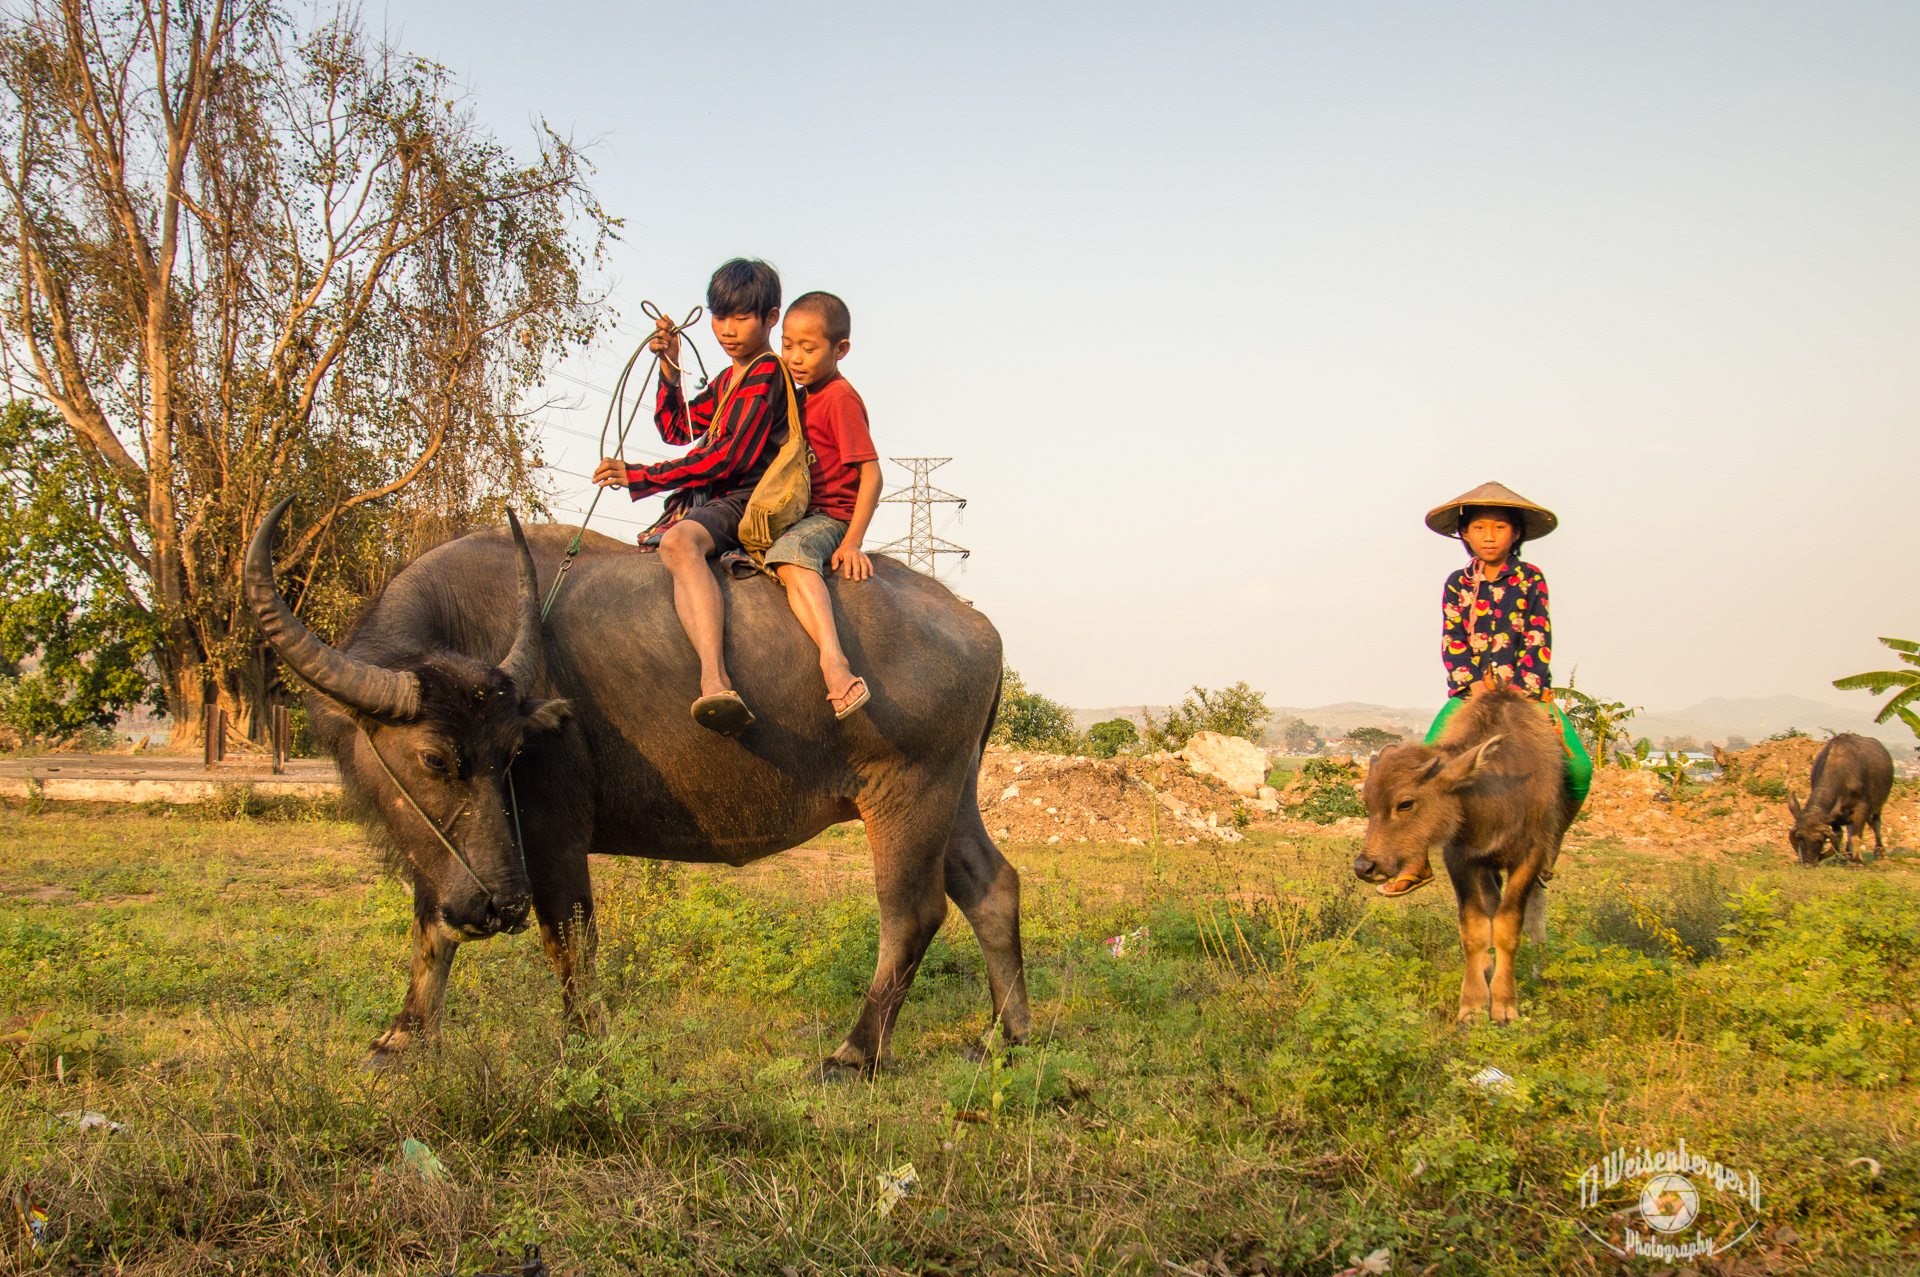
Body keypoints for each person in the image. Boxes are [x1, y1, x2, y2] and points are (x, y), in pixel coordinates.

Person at [592, 258, 794, 737]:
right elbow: (677, 427)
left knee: (679, 543)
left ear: (770, 317)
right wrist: (669, 364)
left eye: (742, 317)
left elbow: (727, 459)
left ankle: (714, 678)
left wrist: (640, 475)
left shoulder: (766, 374)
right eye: (719, 316)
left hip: (749, 496)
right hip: (719, 495)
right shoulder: (729, 381)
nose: (727, 329)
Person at [1375, 481, 1594, 897]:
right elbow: (1452, 640)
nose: (1489, 536)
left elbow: (1537, 637)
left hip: (1526, 695)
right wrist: (1473, 686)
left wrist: (1521, 692)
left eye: (1499, 527)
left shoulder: (1532, 580)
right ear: (1465, 534)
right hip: (1468, 695)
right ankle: (1417, 862)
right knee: (1423, 769)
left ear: (1516, 534)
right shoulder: (1457, 584)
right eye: (1479, 528)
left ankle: (1547, 845)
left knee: (1579, 770)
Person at [766, 291, 883, 720]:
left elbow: (872, 474)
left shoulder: (838, 397)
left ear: (841, 350)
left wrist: (852, 541)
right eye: (788, 345)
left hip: (830, 516)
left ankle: (834, 663)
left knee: (791, 555)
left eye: (809, 348)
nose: (795, 357)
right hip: (802, 512)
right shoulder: (802, 395)